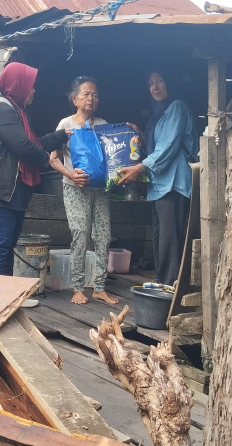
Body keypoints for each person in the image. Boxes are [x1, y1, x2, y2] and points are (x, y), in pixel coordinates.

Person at [0, 62, 84, 280]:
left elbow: (33, 143)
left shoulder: (18, 111)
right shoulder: (1, 109)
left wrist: (60, 136)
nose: (34, 90)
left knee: (7, 246)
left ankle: (4, 294)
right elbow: (22, 146)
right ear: (18, 85)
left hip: (11, 193)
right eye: (31, 85)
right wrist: (46, 160)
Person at [118, 70, 196, 286]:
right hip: (159, 185)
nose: (155, 87)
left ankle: (171, 286)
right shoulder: (159, 114)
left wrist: (139, 167)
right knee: (160, 238)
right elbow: (156, 144)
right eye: (151, 83)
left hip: (174, 182)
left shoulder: (177, 107)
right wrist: (141, 135)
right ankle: (163, 282)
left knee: (170, 238)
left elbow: (167, 147)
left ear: (170, 82)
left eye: (160, 81)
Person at [55, 77, 120, 305]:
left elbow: (113, 157)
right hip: (75, 188)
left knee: (103, 236)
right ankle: (78, 288)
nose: (91, 98)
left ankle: (99, 287)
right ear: (74, 99)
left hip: (100, 190)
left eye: (95, 95)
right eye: (86, 94)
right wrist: (70, 174)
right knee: (80, 234)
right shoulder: (66, 124)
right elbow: (52, 159)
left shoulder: (103, 125)